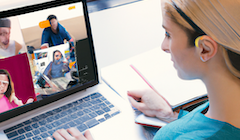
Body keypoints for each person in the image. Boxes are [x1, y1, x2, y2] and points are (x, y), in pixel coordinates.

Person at [47, 0, 240, 139]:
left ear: (204, 48)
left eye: (168, 34)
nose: (164, 46)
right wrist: (170, 116)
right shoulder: (223, 106)